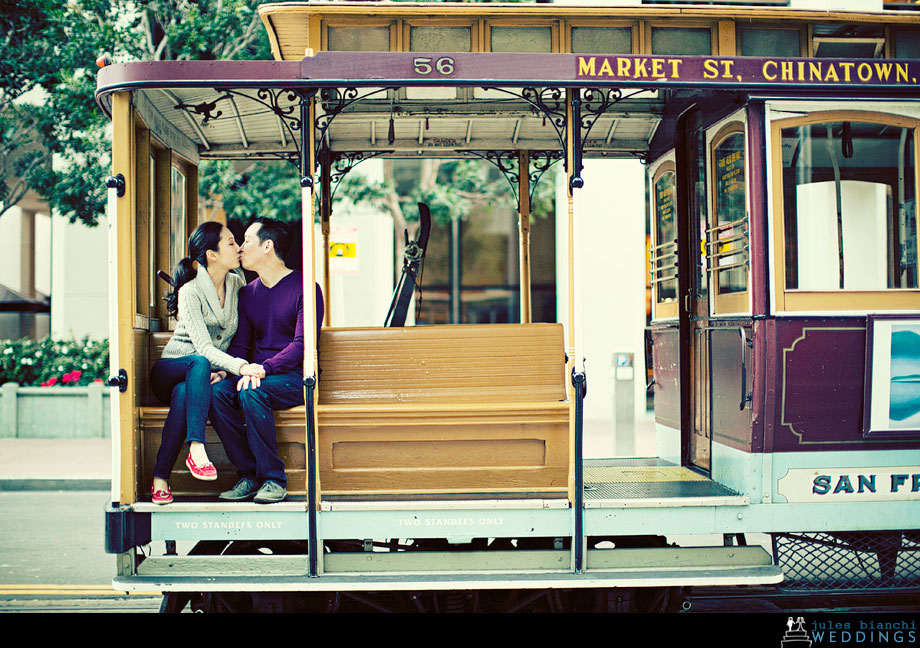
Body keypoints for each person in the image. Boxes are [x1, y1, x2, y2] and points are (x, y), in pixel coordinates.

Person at [210, 217, 324, 504]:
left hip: (296, 377)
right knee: (216, 393)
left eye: (247, 240)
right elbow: (242, 344)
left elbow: (302, 346)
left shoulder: (307, 289)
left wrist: (264, 368)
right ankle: (249, 475)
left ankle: (274, 479)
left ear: (268, 246)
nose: (241, 247)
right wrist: (229, 371)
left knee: (251, 390)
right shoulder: (248, 293)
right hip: (255, 374)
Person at [149, 221, 262, 505]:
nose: (238, 248)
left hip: (199, 377)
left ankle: (160, 477)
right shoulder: (190, 291)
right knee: (198, 361)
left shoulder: (237, 282)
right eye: (231, 243)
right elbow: (203, 348)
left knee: (185, 394)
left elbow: (240, 333)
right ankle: (196, 447)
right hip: (173, 367)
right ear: (212, 255)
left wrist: (225, 371)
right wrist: (241, 367)